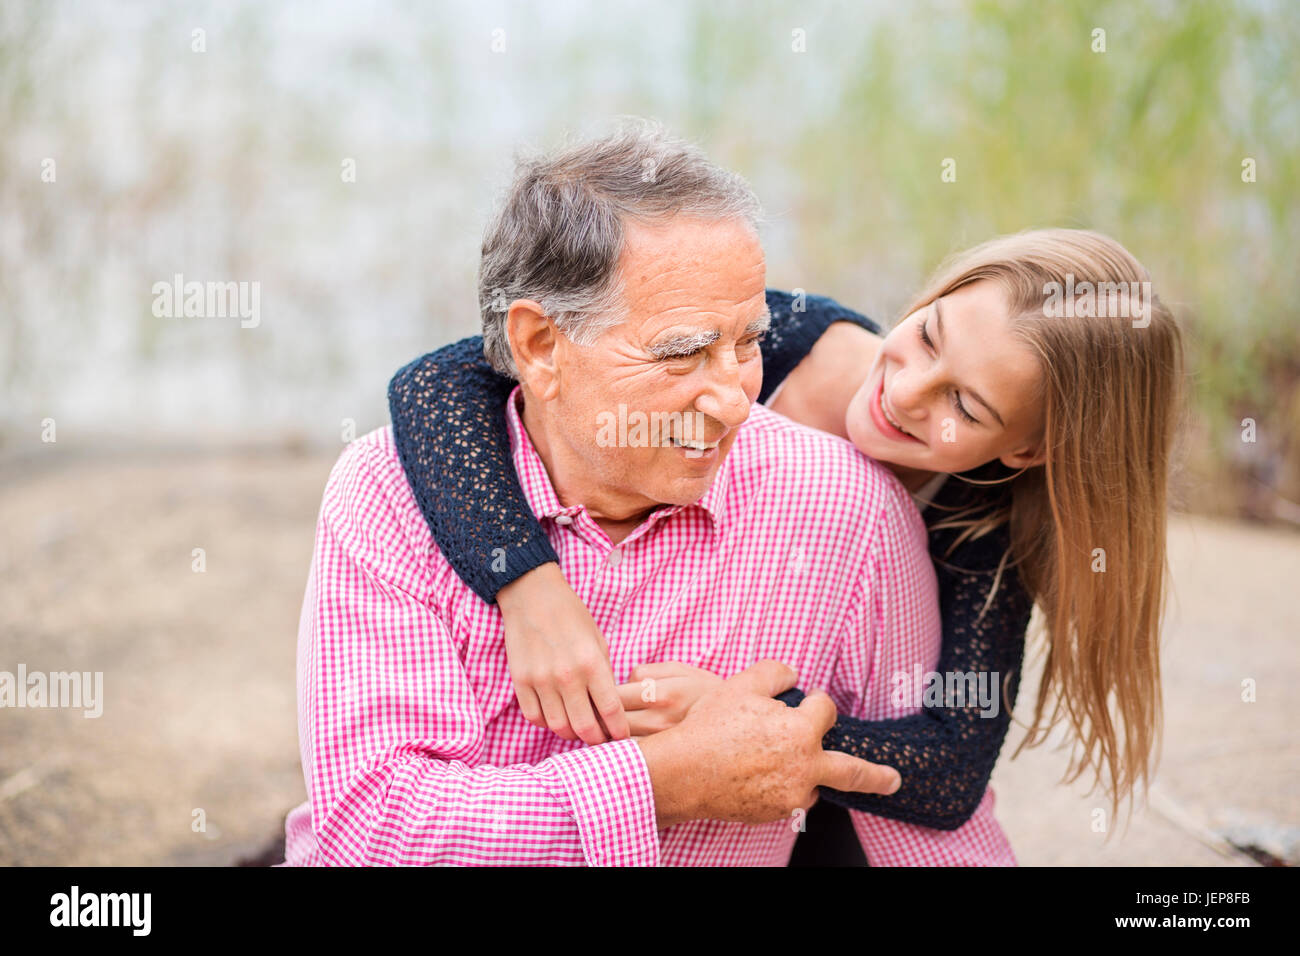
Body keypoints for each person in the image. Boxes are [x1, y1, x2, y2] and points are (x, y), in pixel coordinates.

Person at [283, 121, 1015, 866]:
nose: (734, 402)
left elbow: (937, 828)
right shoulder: (389, 492)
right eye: (683, 353)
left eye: (748, 342)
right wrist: (665, 781)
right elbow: (373, 833)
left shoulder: (853, 509)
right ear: (540, 346)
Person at [388, 224, 1183, 862]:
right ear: (937, 295)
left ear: (1029, 449)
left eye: (966, 408)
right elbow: (440, 381)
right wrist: (527, 583)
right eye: (929, 336)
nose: (906, 391)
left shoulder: (984, 526)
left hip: (799, 795)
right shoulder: (782, 336)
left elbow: (950, 767)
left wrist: (760, 727)